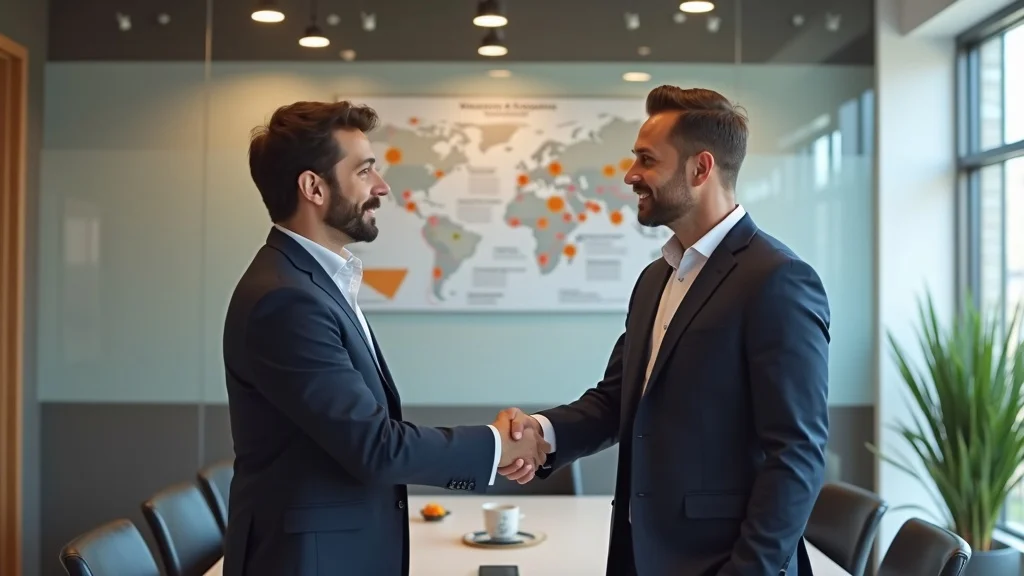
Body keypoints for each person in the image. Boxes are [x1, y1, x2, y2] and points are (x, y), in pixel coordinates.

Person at [497, 86, 830, 576]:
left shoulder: (777, 279)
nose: (630, 174)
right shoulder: (656, 278)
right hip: (640, 556)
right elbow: (617, 401)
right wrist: (542, 432)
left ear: (700, 168)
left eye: (647, 160)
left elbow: (797, 454)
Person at [221, 100, 549, 576]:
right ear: (313, 187)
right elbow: (375, 447)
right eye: (364, 171)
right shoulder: (285, 300)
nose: (381, 186)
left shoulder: (311, 282)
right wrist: (498, 444)